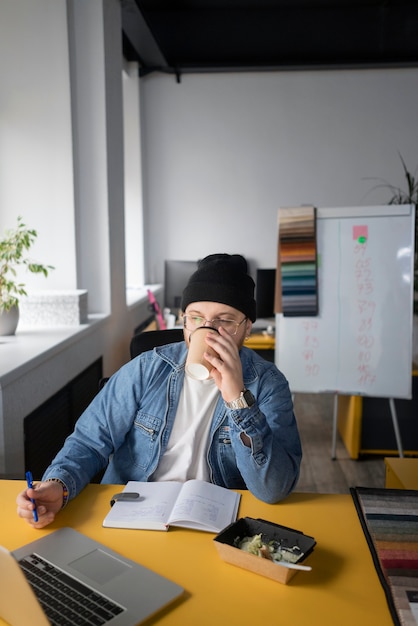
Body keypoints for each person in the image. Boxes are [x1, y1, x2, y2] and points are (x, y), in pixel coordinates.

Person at [17, 253, 302, 528]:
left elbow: (273, 489)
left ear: (247, 328)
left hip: (215, 525)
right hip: (134, 516)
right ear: (183, 321)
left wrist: (238, 399)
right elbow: (89, 442)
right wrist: (58, 486)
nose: (208, 329)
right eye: (196, 317)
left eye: (224, 321)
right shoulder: (146, 369)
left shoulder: (268, 384)